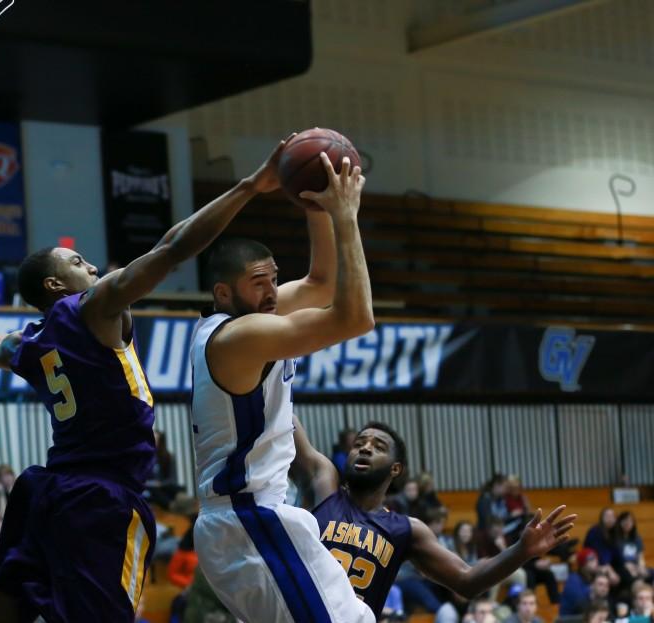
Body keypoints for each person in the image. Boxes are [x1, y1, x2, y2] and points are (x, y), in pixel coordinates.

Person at [0, 136, 294, 623]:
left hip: (46, 490)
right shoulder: (93, 306)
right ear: (54, 286)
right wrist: (248, 187)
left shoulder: (26, 344)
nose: (91, 266)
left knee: (2, 611)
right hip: (102, 499)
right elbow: (174, 247)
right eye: (75, 263)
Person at [189, 150, 376, 623]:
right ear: (224, 294)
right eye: (260, 283)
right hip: (246, 520)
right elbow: (355, 317)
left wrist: (314, 204)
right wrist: (345, 216)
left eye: (274, 279)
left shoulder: (254, 314)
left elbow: (321, 281)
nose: (273, 293)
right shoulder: (239, 336)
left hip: (262, 515)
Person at [291, 422, 574, 621]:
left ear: (396, 468)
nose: (364, 449)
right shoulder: (323, 485)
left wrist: (521, 551)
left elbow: (467, 581)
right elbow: (285, 422)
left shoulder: (406, 530)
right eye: (359, 444)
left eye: (377, 446)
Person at [613, 511, 652, 586]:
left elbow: (640, 557)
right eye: (625, 521)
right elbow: (616, 559)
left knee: (650, 573)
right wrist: (627, 566)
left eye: (630, 521)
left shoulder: (637, 538)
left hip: (636, 566)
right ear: (620, 523)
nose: (628, 523)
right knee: (634, 578)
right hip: (621, 567)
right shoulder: (615, 539)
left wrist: (641, 567)